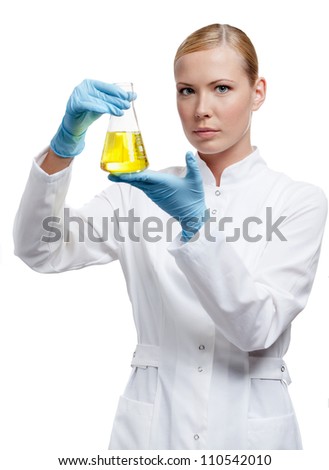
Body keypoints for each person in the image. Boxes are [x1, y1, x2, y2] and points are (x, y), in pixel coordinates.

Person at [13, 23, 327, 450]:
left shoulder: (297, 201)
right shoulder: (137, 194)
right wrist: (63, 147)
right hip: (153, 429)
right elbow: (38, 248)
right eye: (186, 90)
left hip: (252, 432)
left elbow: (257, 329)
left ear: (258, 92)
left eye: (221, 88)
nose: (201, 109)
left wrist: (197, 227)